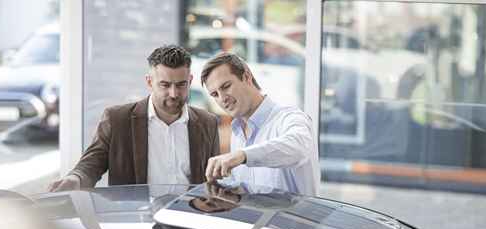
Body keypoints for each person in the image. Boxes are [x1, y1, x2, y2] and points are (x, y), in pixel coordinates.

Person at [48, 45, 219, 192]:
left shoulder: (208, 123)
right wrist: (76, 179)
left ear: (190, 81)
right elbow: (92, 162)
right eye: (165, 85)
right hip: (135, 220)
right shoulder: (117, 120)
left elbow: (213, 180)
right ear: (149, 82)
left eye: (181, 85)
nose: (174, 93)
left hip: (189, 218)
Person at [200, 52, 320, 196]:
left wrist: (242, 155)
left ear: (246, 76)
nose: (222, 98)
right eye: (215, 94)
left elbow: (299, 146)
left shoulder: (290, 117)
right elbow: (253, 190)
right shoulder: (237, 133)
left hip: (295, 218)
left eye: (226, 86)